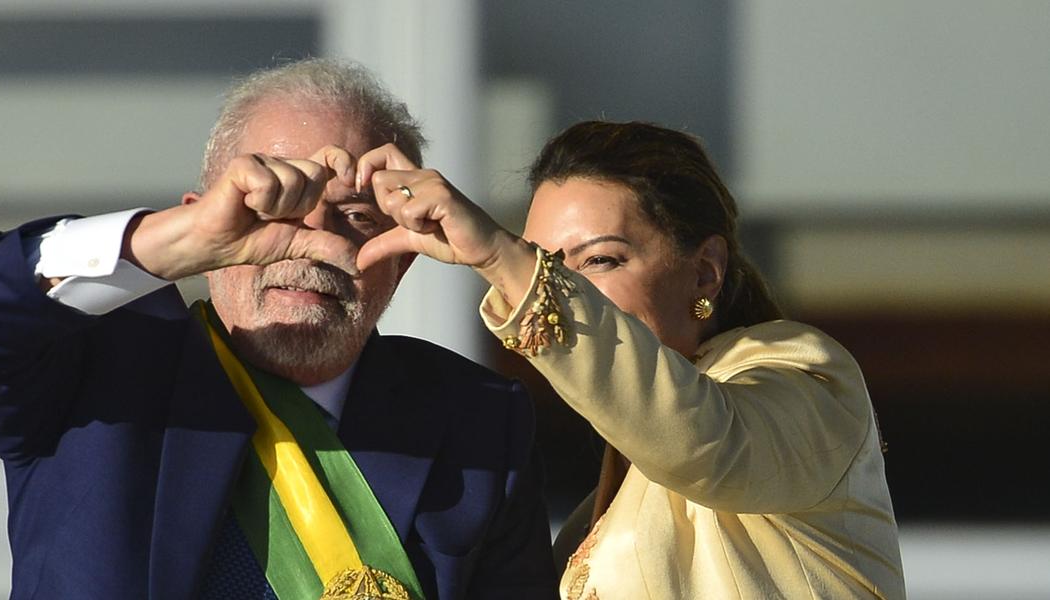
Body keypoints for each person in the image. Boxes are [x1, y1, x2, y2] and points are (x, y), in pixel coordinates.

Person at [0, 58, 556, 600]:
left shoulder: (478, 419)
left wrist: (503, 255)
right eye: (272, 204)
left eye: (357, 215)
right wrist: (173, 243)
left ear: (406, 252)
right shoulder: (93, 362)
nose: (310, 241)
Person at [350, 121, 905, 599]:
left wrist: (502, 258)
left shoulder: (805, 377)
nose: (564, 288)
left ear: (705, 270)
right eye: (545, 265)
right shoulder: (595, 516)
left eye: (599, 260)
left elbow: (703, 440)